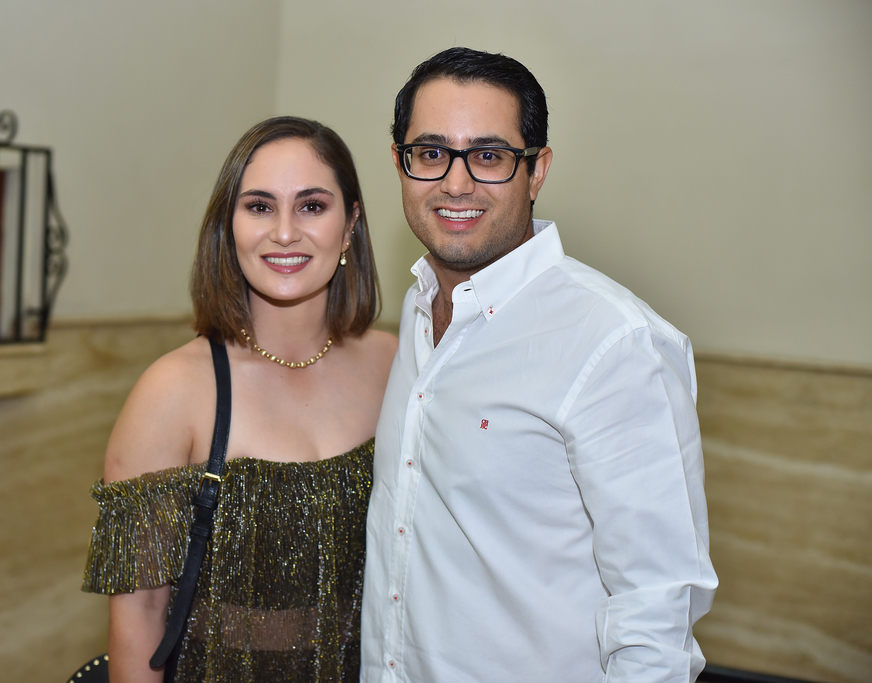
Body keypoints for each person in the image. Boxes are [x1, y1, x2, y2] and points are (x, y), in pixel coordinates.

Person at [361, 47, 718, 683]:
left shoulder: (615, 343)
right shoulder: (417, 313)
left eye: (489, 156)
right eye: (432, 152)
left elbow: (657, 617)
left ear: (537, 170)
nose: (456, 183)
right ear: (400, 163)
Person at [83, 116, 397, 683]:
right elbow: (141, 615)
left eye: (311, 206)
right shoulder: (174, 390)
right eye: (259, 207)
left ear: (350, 224)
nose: (284, 233)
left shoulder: (396, 364)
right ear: (228, 227)